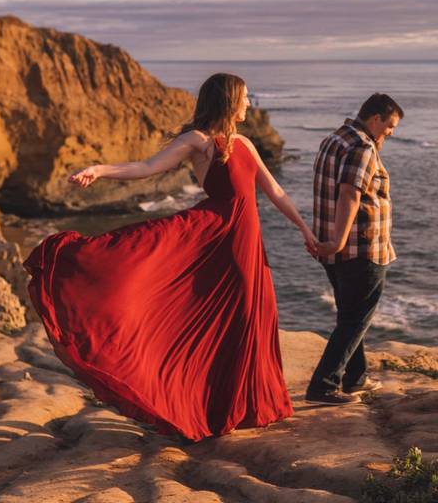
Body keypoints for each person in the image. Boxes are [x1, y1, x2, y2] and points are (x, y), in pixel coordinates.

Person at [24, 73, 317, 441]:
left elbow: (275, 191)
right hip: (213, 237)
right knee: (215, 314)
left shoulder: (244, 143)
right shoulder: (199, 141)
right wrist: (100, 169)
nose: (248, 104)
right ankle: (204, 408)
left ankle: (249, 405)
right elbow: (147, 168)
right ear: (227, 100)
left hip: (245, 242)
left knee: (252, 315)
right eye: (243, 98)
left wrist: (305, 230)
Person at [306, 93, 403, 405]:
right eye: (389, 126)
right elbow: (349, 195)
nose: (391, 133)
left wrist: (330, 243)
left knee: (350, 314)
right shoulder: (362, 146)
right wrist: (338, 239)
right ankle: (323, 385)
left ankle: (356, 378)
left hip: (334, 250)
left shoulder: (334, 139)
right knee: (355, 318)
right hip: (360, 249)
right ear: (375, 119)